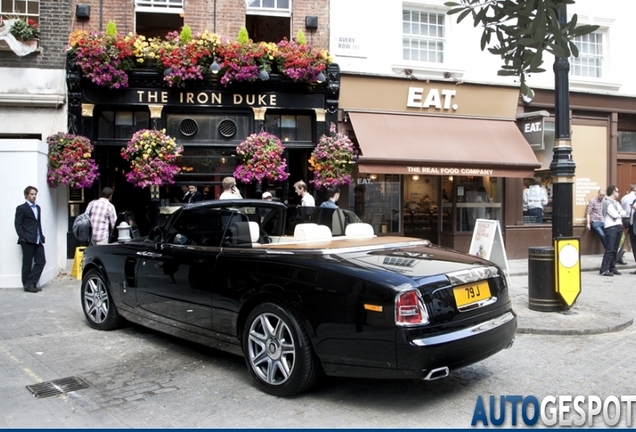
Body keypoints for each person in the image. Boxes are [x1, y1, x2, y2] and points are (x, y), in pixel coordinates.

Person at [14, 186, 46, 293]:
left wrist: (41, 235)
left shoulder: (38, 208)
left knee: (41, 261)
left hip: (37, 239)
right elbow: (18, 224)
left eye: (35, 194)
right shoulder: (21, 208)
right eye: (31, 194)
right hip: (27, 239)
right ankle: (28, 285)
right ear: (26, 195)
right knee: (27, 263)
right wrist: (23, 237)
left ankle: (30, 283)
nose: (34, 196)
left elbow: (38, 223)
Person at [600, 185, 626, 277]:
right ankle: (604, 269)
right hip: (611, 227)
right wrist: (619, 212)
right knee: (610, 249)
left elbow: (624, 212)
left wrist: (619, 212)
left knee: (615, 249)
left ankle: (612, 267)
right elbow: (615, 215)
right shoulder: (607, 203)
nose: (618, 193)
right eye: (617, 191)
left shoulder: (616, 203)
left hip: (618, 227)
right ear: (613, 192)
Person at [617, 184, 636, 264]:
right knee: (630, 243)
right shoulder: (634, 199)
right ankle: (619, 256)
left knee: (627, 240)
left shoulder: (624, 197)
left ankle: (619, 256)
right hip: (631, 222)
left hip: (626, 220)